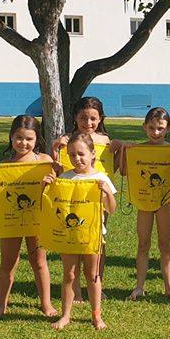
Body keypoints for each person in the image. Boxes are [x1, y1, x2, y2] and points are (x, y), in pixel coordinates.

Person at [0, 115, 57, 319]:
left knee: (39, 262)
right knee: (8, 263)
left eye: (29, 139)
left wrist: (54, 176)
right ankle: (0, 306)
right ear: (11, 137)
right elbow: (0, 194)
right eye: (19, 138)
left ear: (37, 139)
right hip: (11, 220)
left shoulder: (45, 161)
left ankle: (46, 304)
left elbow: (59, 185)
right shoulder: (4, 165)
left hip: (38, 219)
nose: (24, 143)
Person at [43, 133, 117, 329]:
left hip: (92, 236)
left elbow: (111, 208)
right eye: (73, 155)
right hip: (69, 236)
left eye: (81, 154)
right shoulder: (65, 177)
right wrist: (48, 185)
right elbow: (52, 203)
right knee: (69, 274)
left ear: (93, 154)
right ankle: (66, 315)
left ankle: (96, 315)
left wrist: (107, 192)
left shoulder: (101, 178)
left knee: (93, 275)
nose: (77, 159)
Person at [51, 97, 117, 302]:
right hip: (72, 200)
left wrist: (123, 148)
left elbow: (116, 167)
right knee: (74, 243)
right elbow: (58, 170)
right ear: (75, 118)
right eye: (83, 118)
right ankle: (77, 290)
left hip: (97, 200)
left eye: (93, 118)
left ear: (101, 119)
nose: (88, 123)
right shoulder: (67, 141)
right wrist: (55, 149)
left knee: (97, 244)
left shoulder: (107, 142)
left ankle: (97, 284)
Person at [119, 107, 170, 301]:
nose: (156, 132)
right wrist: (125, 150)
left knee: (165, 245)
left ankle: (169, 287)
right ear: (144, 127)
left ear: (168, 128)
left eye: (160, 128)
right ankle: (139, 286)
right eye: (152, 127)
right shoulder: (137, 149)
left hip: (164, 204)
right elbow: (122, 171)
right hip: (144, 203)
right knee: (143, 244)